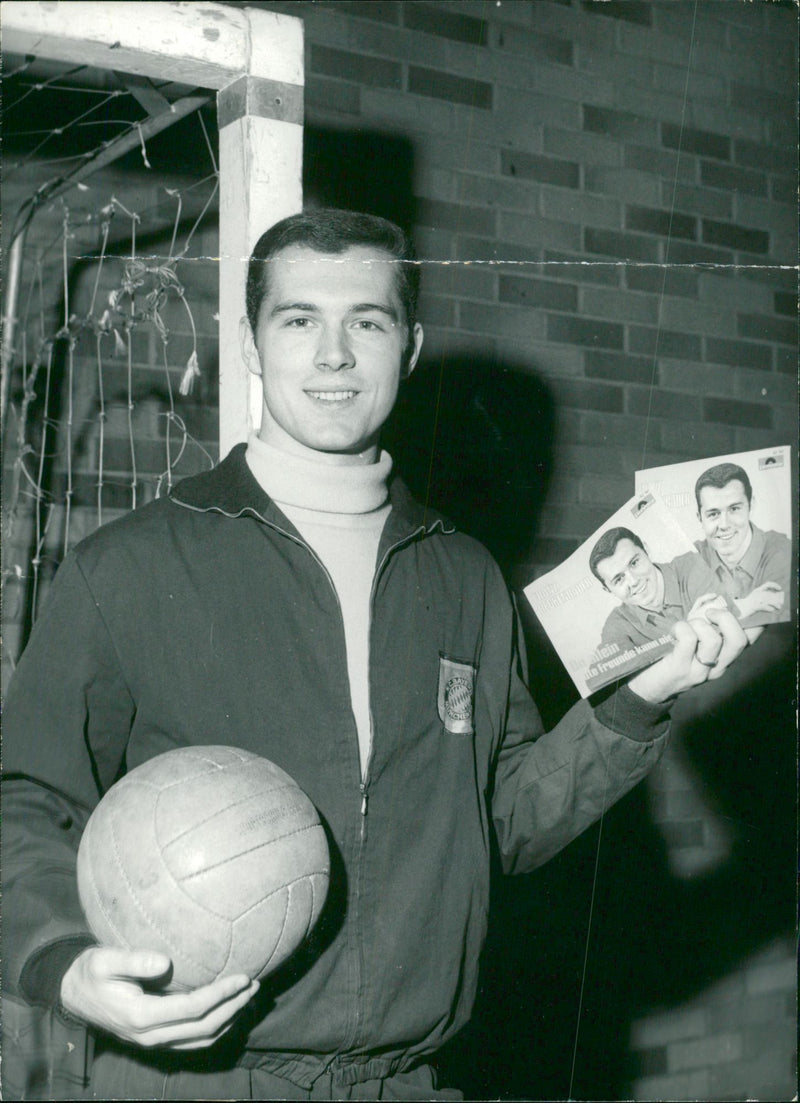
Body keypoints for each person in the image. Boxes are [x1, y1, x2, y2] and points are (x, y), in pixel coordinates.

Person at [2, 209, 748, 1102]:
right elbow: (22, 801)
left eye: (368, 321)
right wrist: (63, 962)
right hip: (180, 1077)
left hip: (407, 1081)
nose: (334, 355)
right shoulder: (128, 564)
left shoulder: (463, 575)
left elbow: (497, 820)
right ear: (248, 341)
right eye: (299, 319)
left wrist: (642, 697)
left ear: (412, 344)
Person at [590, 528, 727, 654]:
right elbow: (612, 679)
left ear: (646, 550)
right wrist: (689, 630)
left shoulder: (692, 565)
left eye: (634, 563)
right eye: (619, 579)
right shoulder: (617, 623)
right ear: (608, 590)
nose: (634, 581)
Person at [693, 462, 791, 627]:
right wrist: (746, 605)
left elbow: (766, 629)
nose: (724, 524)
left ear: (750, 506)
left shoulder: (783, 551)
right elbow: (675, 629)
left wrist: (705, 617)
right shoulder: (692, 559)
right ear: (699, 518)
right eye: (713, 514)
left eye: (734, 509)